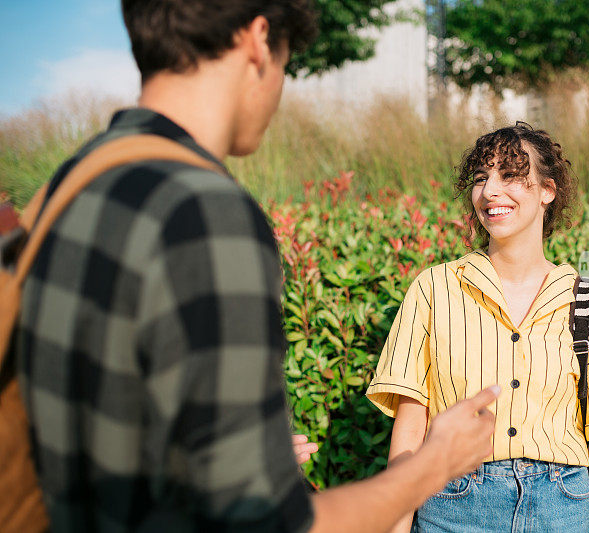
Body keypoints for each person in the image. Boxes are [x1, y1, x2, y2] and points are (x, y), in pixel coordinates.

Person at [12, 1, 500, 531]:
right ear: (258, 39)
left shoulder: (65, 187)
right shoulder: (204, 210)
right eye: (287, 63)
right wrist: (434, 464)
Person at [366, 123, 589, 533]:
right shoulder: (433, 290)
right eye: (480, 178)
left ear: (547, 190)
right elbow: (409, 431)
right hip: (452, 506)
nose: (490, 191)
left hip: (564, 509)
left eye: (510, 176)